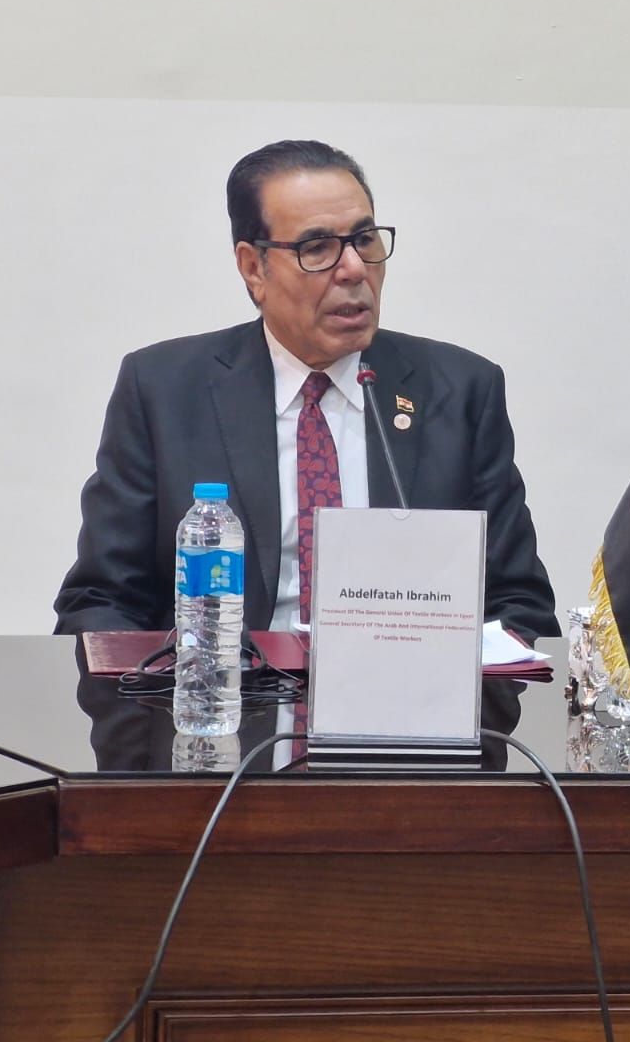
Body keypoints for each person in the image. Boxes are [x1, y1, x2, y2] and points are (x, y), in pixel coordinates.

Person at [56, 140, 557, 762]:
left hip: (416, 744)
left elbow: (517, 599)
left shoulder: (458, 390)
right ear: (253, 268)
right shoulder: (164, 389)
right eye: (317, 248)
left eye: (365, 240)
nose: (353, 269)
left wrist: (463, 746)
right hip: (216, 739)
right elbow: (102, 602)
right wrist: (146, 773)